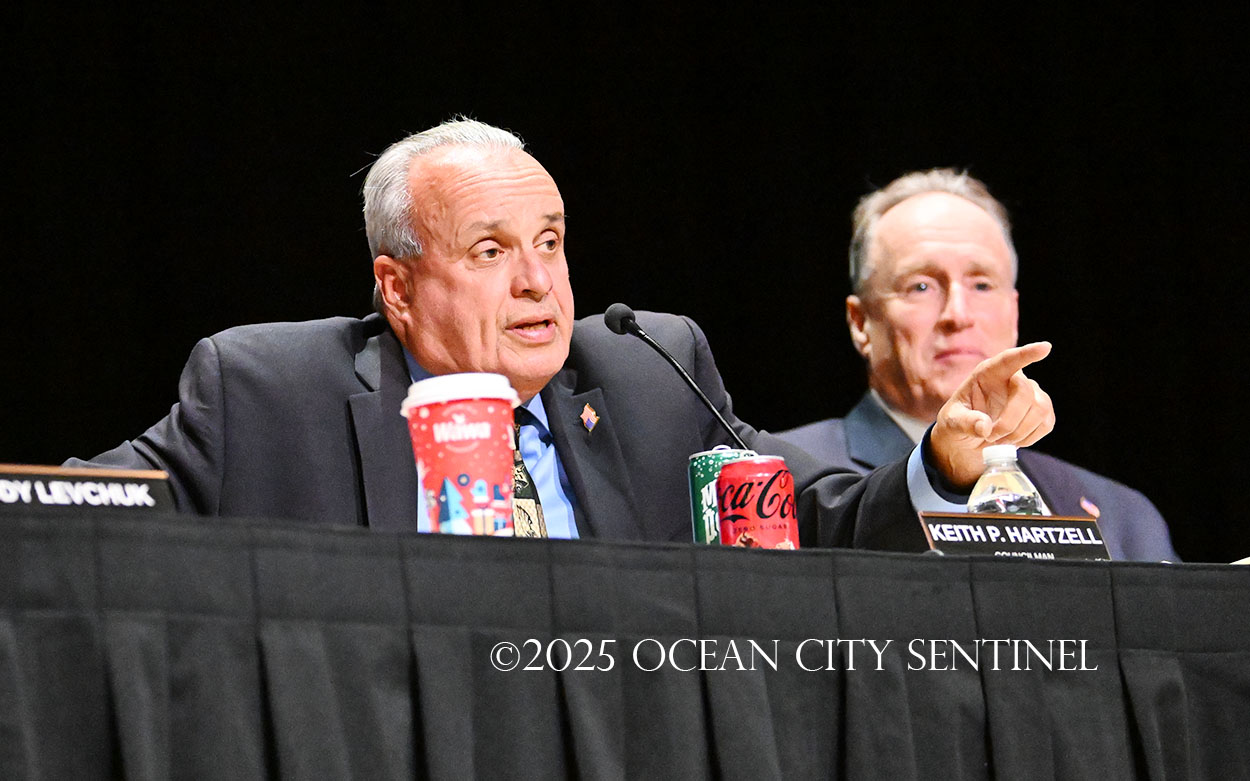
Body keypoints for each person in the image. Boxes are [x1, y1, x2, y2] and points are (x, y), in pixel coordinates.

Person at [69, 122, 1055, 549]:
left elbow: (813, 515)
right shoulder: (268, 390)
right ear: (397, 287)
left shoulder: (645, 370)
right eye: (490, 250)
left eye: (549, 241)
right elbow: (75, 507)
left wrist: (942, 460)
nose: (538, 280)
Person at [777, 169, 1178, 560]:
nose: (958, 314)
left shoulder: (1124, 517)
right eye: (921, 286)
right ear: (860, 323)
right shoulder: (784, 483)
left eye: (982, 285)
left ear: (1014, 313)